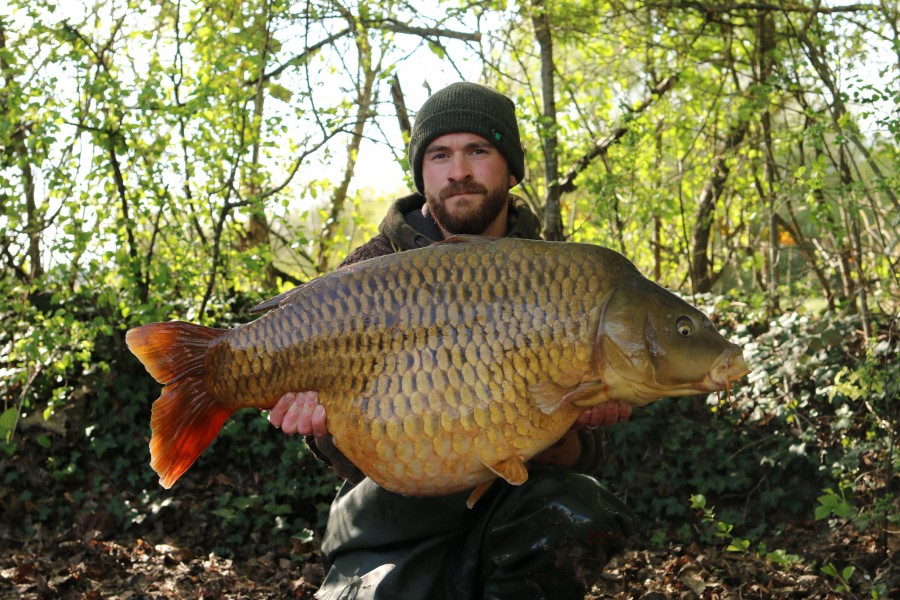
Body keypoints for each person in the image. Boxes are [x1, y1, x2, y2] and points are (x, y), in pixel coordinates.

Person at [268, 82, 638, 599]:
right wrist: (321, 427)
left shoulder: (559, 274)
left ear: (510, 168)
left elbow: (584, 458)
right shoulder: (368, 270)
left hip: (516, 509)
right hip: (392, 513)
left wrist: (572, 420)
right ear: (422, 173)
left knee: (574, 507)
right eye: (440, 154)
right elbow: (345, 462)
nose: (458, 171)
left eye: (478, 151)